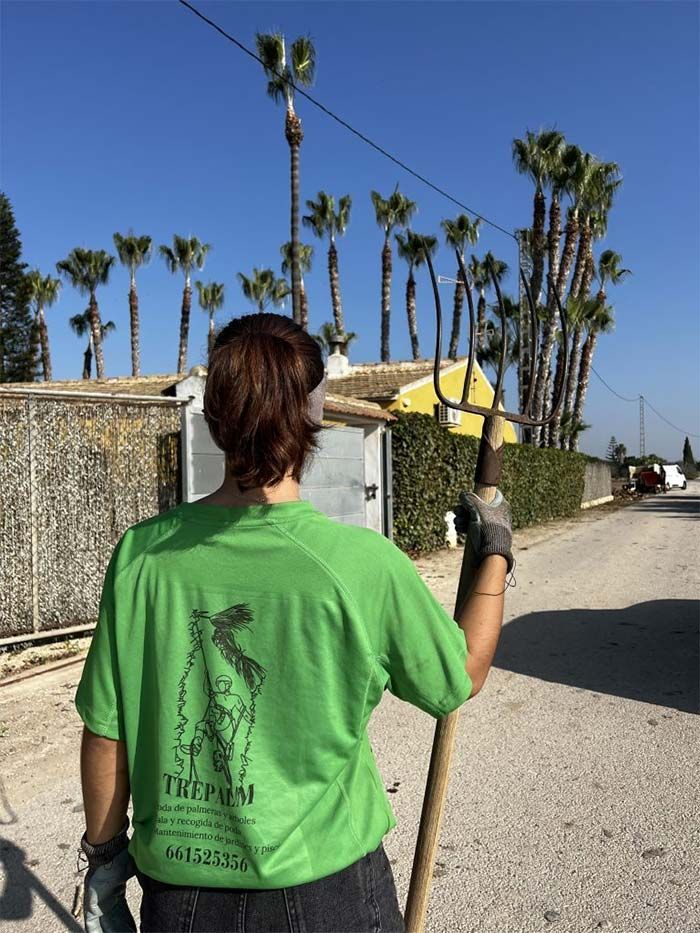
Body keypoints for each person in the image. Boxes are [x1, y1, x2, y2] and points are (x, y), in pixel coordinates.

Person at [75, 312, 513, 933]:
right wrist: (495, 547)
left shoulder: (142, 555)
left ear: (212, 417)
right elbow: (459, 675)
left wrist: (105, 861)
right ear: (313, 418)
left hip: (179, 899)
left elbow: (106, 732)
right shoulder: (362, 565)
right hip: (326, 893)